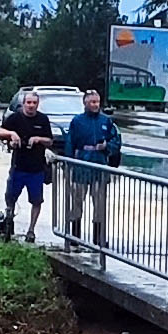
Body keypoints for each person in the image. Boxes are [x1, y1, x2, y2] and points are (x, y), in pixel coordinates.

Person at [58, 86, 122, 247]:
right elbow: (70, 143)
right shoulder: (77, 121)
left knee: (99, 203)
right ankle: (75, 236)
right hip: (81, 166)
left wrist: (107, 147)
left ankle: (98, 237)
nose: (95, 105)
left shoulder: (106, 121)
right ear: (85, 103)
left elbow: (117, 141)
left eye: (97, 102)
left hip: (100, 165)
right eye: (92, 102)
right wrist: (69, 163)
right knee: (77, 201)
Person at [0, 90, 57, 241]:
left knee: (36, 201)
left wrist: (38, 139)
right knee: (10, 198)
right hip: (18, 167)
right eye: (28, 103)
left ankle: (31, 230)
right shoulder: (15, 118)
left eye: (34, 103)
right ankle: (9, 223)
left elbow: (50, 141)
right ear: (23, 104)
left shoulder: (42, 119)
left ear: (37, 104)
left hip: (36, 169)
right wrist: (11, 135)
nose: (31, 106)